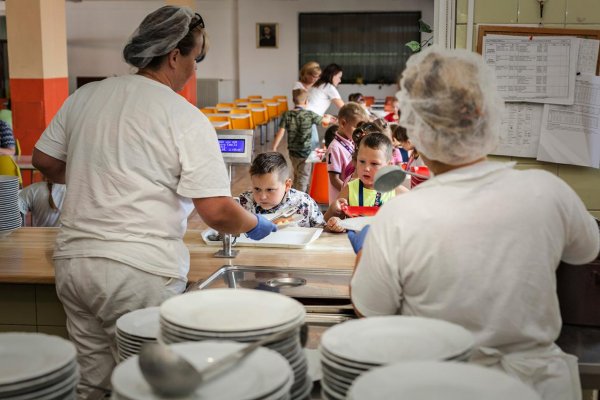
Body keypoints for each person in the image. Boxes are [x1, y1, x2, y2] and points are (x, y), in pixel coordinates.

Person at [31, 6, 276, 397]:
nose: (194, 69)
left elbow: (44, 161)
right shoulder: (183, 116)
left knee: (91, 383)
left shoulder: (86, 96)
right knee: (149, 386)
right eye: (195, 58)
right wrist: (256, 224)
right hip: (137, 272)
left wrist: (94, 172)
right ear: (175, 55)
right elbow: (215, 211)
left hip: (74, 264)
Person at [348, 46, 600, 400]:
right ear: (485, 114)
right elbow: (587, 249)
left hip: (442, 385)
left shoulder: (401, 215)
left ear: (417, 130)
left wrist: (366, 252)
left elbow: (370, 309)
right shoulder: (547, 191)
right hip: (537, 387)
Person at [325, 133, 406, 232]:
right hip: (354, 245)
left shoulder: (395, 190)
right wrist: (334, 215)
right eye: (362, 161)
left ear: (388, 165)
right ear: (356, 160)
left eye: (374, 163)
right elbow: (326, 222)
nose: (366, 168)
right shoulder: (349, 188)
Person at [239, 152, 324, 228]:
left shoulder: (304, 202)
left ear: (287, 185)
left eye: (270, 190)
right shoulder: (243, 203)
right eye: (257, 189)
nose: (262, 197)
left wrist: (333, 225)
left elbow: (322, 229)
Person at [271, 88, 334, 192]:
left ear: (293, 100)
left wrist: (274, 146)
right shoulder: (309, 114)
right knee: (303, 177)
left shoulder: (287, 114)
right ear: (306, 102)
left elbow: (281, 132)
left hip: (292, 152)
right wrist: (331, 118)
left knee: (296, 174)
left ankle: (293, 195)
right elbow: (324, 121)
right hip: (306, 153)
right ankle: (300, 200)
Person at [324, 102, 369, 204]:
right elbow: (334, 179)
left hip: (353, 198)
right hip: (341, 201)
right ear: (343, 123)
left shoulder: (352, 142)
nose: (361, 132)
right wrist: (352, 192)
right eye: (357, 128)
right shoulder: (334, 148)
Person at [307, 63, 345, 150]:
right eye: (339, 77)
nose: (340, 80)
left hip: (304, 118)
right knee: (314, 151)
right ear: (333, 75)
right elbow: (344, 108)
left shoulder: (318, 84)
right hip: (308, 120)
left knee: (311, 151)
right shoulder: (329, 87)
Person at [393, 122, 427, 187]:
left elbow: (421, 178)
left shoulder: (421, 157)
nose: (400, 145)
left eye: (401, 142)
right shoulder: (414, 152)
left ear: (409, 142)